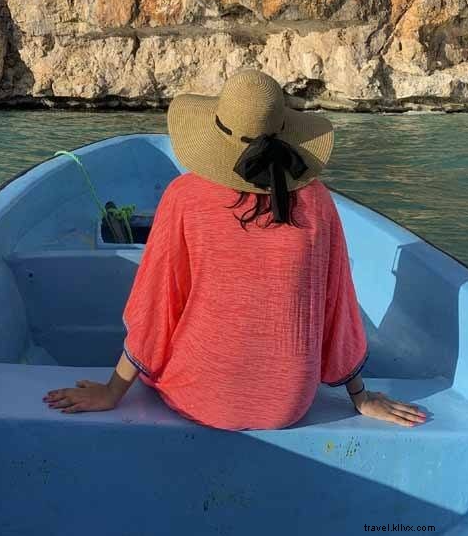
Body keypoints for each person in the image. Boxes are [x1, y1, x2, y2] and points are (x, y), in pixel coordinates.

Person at [43, 69, 427, 430]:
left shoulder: (185, 196)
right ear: (285, 132)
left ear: (216, 133)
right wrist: (359, 396)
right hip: (288, 403)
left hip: (200, 397)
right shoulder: (317, 201)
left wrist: (112, 392)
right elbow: (336, 305)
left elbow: (157, 308)